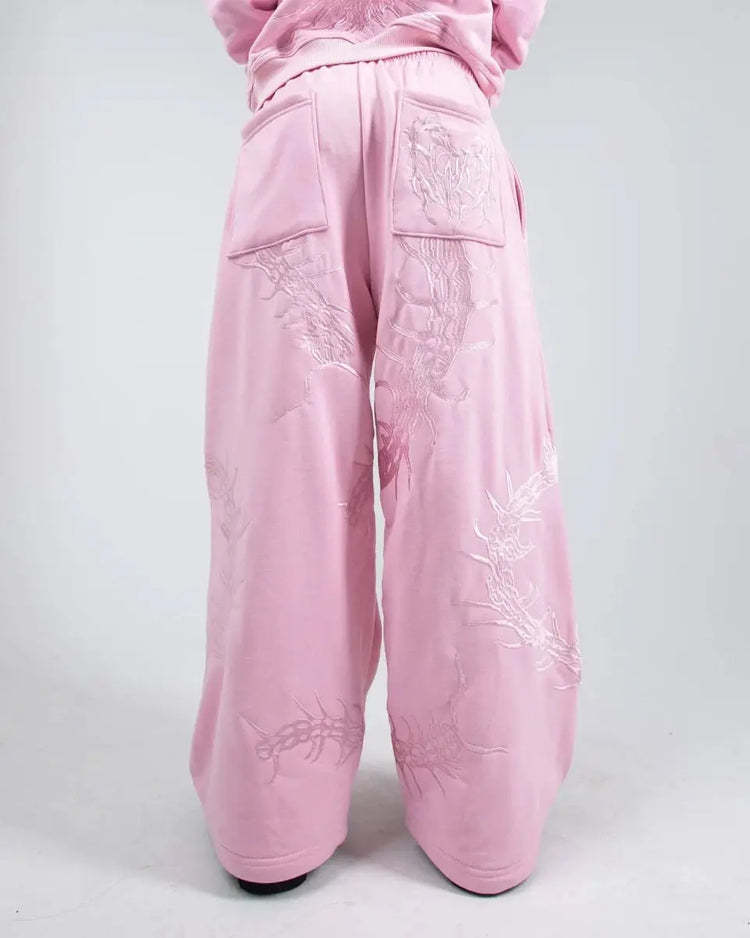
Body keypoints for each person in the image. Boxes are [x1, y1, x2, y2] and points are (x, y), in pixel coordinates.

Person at [190, 0, 581, 897]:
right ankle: (487, 826)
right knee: (472, 473)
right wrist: (458, 58)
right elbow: (514, 15)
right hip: (442, 112)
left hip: (301, 119)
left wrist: (306, 53)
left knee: (284, 474)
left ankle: (270, 828)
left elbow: (240, 13)